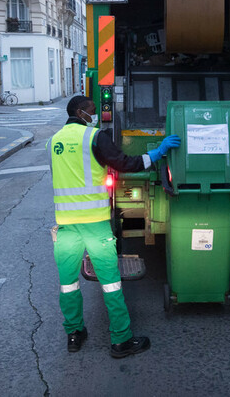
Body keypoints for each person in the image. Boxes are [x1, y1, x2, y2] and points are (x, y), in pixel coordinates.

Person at [49, 95, 180, 358]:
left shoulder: (53, 141)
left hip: (65, 227)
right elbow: (125, 164)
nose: (95, 115)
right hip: (94, 225)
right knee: (110, 284)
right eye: (92, 111)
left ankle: (74, 334)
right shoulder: (95, 138)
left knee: (68, 284)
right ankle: (121, 340)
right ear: (80, 112)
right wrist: (157, 153)